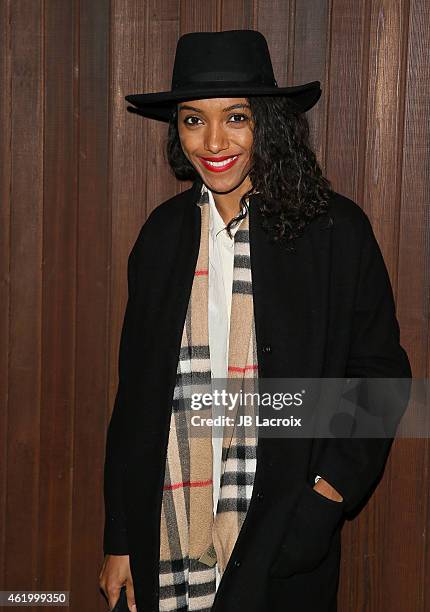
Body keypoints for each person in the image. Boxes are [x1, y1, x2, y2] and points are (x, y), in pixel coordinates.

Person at [99, 30, 411, 612]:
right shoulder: (162, 237)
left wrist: (326, 498)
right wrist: (120, 535)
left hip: (282, 534)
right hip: (164, 533)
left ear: (266, 123)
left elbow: (380, 377)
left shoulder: (333, 231)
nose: (213, 142)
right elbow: (137, 399)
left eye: (234, 118)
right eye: (194, 121)